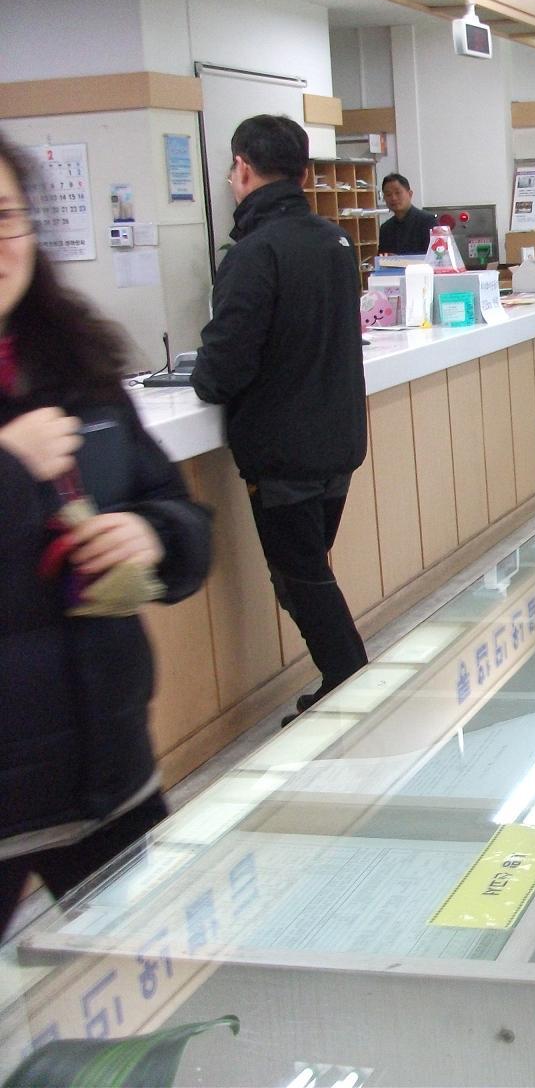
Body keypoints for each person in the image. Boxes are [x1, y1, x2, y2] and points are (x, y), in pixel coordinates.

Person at [0, 135, 211, 936]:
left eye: (4, 216)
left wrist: (154, 536)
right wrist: (10, 470)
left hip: (109, 769)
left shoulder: (76, 362)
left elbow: (175, 507)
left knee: (149, 994)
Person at [192, 115, 369, 723]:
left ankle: (352, 685)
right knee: (308, 570)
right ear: (305, 174)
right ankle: (345, 684)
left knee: (300, 578)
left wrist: (202, 374)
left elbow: (223, 368)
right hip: (337, 441)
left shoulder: (254, 253)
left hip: (284, 451)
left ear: (242, 168)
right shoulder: (335, 242)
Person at [378, 172, 436, 255]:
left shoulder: (428, 221)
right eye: (388, 194)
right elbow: (382, 258)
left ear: (410, 194)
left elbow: (436, 257)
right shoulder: (385, 228)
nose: (393, 198)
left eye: (398, 193)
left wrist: (399, 260)